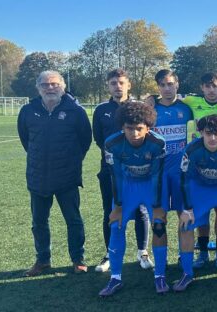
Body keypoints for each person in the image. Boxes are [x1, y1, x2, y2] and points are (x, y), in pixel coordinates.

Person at [18, 70, 92, 277]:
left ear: (63, 86)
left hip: (67, 177)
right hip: (37, 176)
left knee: (73, 220)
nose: (50, 88)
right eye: (45, 85)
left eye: (54, 84)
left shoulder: (76, 111)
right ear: (38, 88)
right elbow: (26, 140)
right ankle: (43, 261)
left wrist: (71, 162)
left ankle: (78, 259)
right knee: (39, 222)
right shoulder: (27, 111)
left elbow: (85, 140)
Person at [98, 101, 165, 297]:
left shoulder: (158, 142)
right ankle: (115, 278)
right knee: (116, 225)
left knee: (159, 225)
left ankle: (160, 275)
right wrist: (118, 206)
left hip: (149, 186)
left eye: (139, 129)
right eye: (129, 129)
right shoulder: (112, 143)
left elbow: (157, 176)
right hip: (126, 187)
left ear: (148, 127)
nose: (134, 134)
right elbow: (116, 176)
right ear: (122, 127)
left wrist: (158, 206)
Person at [92, 69, 152, 273]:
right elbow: (99, 139)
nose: (117, 86)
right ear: (108, 86)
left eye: (121, 82)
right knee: (110, 211)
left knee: (141, 210)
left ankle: (142, 251)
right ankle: (110, 253)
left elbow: (148, 133)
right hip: (109, 171)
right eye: (113, 83)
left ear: (129, 85)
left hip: (137, 170)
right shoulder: (101, 110)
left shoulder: (140, 107)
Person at [178, 114, 217, 290]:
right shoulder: (191, 150)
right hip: (200, 189)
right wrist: (188, 209)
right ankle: (187, 273)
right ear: (200, 132)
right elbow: (184, 180)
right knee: (185, 224)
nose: (213, 138)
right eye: (208, 133)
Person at [149, 69, 194, 293]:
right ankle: (160, 273)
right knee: (158, 223)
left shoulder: (187, 109)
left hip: (182, 175)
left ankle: (187, 271)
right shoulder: (150, 109)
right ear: (158, 87)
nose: (167, 88)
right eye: (163, 85)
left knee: (185, 219)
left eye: (171, 84)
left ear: (177, 84)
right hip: (158, 176)